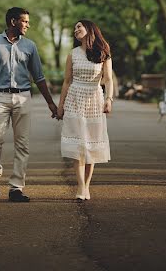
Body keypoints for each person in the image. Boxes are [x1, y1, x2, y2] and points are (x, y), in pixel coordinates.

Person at [0, 7, 58, 203]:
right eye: (25, 21)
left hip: (23, 97)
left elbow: (39, 77)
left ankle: (16, 187)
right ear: (13, 22)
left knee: (22, 144)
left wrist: (50, 103)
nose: (28, 25)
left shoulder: (30, 46)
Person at [57, 20, 113, 201]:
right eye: (74, 28)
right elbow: (67, 81)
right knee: (78, 145)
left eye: (79, 27)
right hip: (75, 98)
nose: (76, 30)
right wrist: (60, 105)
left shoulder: (103, 52)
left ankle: (87, 185)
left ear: (90, 29)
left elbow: (109, 80)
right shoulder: (72, 54)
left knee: (91, 145)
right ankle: (81, 186)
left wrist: (109, 99)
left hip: (94, 99)